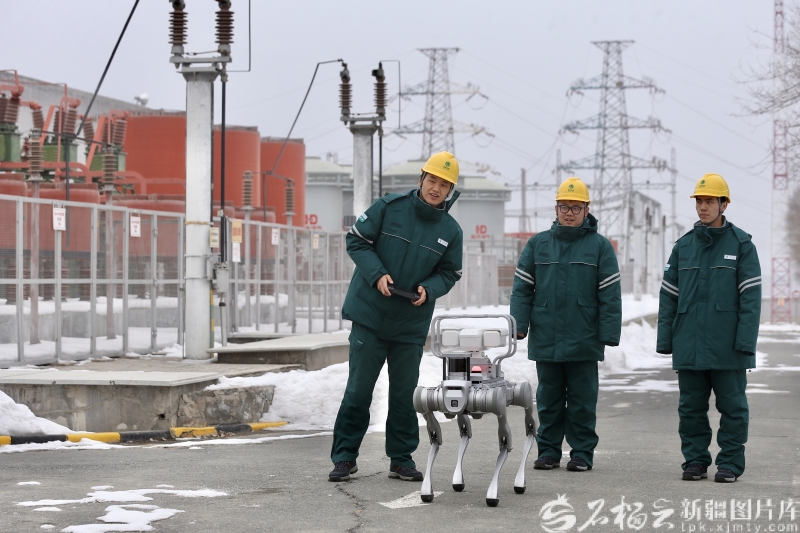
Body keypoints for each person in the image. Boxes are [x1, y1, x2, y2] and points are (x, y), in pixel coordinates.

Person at [329, 151, 464, 482]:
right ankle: (345, 457)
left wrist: (429, 289)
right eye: (432, 180)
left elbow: (450, 273)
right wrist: (377, 274)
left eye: (444, 184)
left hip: (410, 324)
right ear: (421, 179)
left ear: (451, 191)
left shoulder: (451, 230)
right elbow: (357, 240)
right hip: (370, 316)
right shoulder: (389, 207)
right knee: (358, 390)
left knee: (404, 395)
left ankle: (401, 459)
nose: (436, 188)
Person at [510, 177, 621, 472]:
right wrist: (519, 325)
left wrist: (609, 332)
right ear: (556, 208)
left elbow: (610, 294)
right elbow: (522, 289)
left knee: (583, 400)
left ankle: (582, 453)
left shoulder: (600, 247)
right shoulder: (538, 245)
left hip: (585, 337)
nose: (569, 213)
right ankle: (548, 451)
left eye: (576, 207)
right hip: (546, 335)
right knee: (548, 398)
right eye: (564, 207)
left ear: (587, 210)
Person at [657, 173, 761, 483]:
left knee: (733, 407)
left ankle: (729, 463)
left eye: (709, 201)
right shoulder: (683, 247)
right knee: (690, 408)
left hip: (728, 345)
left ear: (723, 204)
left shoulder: (742, 245)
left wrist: (745, 343)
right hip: (689, 343)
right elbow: (668, 297)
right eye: (699, 201)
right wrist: (666, 340)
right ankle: (695, 461)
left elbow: (751, 299)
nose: (703, 207)